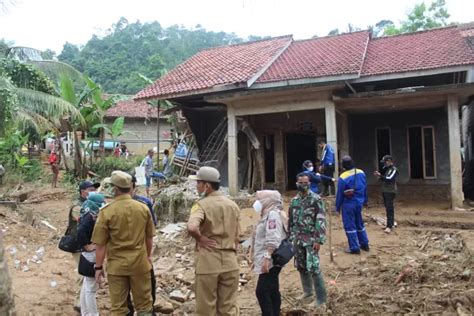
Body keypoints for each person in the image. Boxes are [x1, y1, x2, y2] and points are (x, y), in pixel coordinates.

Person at [92, 170, 155, 315]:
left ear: (115, 189)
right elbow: (149, 238)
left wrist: (98, 267)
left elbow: (100, 244)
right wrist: (147, 257)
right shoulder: (143, 208)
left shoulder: (106, 212)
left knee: (119, 308)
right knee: (144, 305)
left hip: (117, 266)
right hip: (140, 263)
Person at [187, 166, 241, 316]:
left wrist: (200, 239)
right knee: (228, 308)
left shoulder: (200, 205)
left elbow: (191, 227)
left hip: (208, 262)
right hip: (230, 262)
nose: (196, 186)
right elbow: (237, 236)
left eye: (198, 182)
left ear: (207, 186)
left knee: (206, 308)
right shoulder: (233, 206)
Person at [288, 173, 327, 308]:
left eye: (306, 183)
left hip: (311, 239)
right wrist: (290, 238)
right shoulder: (294, 201)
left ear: (309, 183)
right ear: (297, 184)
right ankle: (308, 292)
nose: (304, 185)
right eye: (301, 183)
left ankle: (321, 299)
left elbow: (321, 219)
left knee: (314, 267)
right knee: (301, 266)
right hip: (298, 239)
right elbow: (291, 221)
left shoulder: (316, 199)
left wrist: (318, 239)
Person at [251, 190, 286, 316]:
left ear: (268, 201)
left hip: (270, 259)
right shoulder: (268, 214)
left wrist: (266, 258)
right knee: (272, 289)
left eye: (260, 200)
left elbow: (273, 238)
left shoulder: (272, 215)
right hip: (269, 258)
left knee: (261, 291)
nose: (257, 203)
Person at [126, 175, 157, 316]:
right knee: (124, 289)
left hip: (141, 253)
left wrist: (149, 254)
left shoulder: (144, 204)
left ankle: (148, 308)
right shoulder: (112, 206)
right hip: (128, 256)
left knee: (148, 286)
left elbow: (150, 231)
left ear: (134, 187)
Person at [68, 180, 100, 312]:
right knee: (84, 273)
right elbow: (81, 224)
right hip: (79, 245)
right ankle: (79, 303)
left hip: (85, 244)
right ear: (83, 192)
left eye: (94, 189)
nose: (93, 191)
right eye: (90, 189)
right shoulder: (77, 206)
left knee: (86, 276)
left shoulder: (89, 205)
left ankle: (83, 306)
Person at [77, 192, 106, 316]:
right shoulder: (90, 216)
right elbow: (80, 232)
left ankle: (86, 313)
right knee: (91, 288)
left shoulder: (85, 212)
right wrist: (87, 245)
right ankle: (93, 314)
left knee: (86, 285)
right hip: (92, 254)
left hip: (86, 254)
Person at [335, 156, 370, 254]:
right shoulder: (361, 172)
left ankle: (354, 248)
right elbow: (365, 188)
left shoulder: (343, 177)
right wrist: (365, 200)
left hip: (348, 204)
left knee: (349, 225)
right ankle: (365, 244)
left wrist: (337, 208)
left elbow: (340, 194)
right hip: (359, 202)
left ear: (343, 165)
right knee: (359, 223)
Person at [374, 155, 398, 234]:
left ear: (389, 161)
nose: (384, 164)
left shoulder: (394, 169)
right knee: (388, 208)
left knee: (389, 208)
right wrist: (379, 176)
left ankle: (389, 226)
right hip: (385, 190)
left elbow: (389, 178)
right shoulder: (388, 169)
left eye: (385, 162)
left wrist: (380, 176)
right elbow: (385, 178)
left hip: (390, 191)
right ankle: (390, 224)